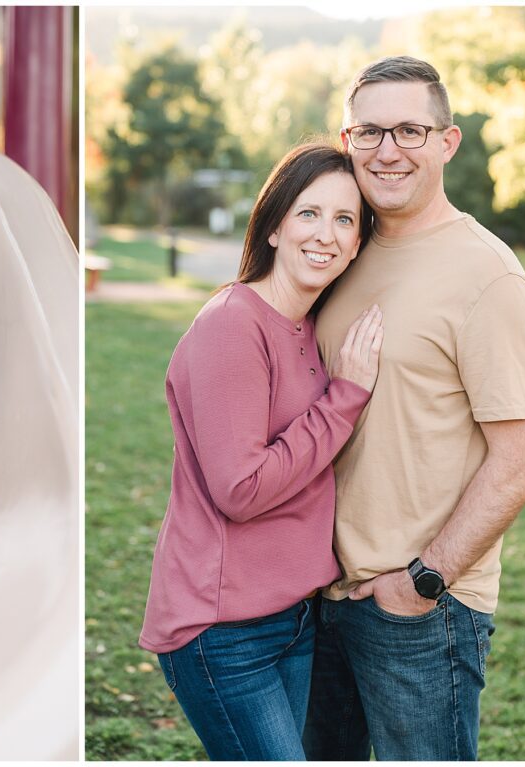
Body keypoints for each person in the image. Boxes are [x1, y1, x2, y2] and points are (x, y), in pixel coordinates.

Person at [304, 56, 525, 761]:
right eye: (370, 132)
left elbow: (520, 459)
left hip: (419, 611)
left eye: (410, 130)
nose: (388, 151)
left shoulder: (488, 276)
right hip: (320, 596)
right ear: (347, 140)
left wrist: (423, 579)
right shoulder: (345, 247)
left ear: (448, 141)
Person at [138, 143, 384, 761]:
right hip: (223, 631)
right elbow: (240, 489)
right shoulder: (232, 324)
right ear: (273, 226)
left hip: (293, 618)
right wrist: (345, 398)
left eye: (345, 219)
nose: (325, 234)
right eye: (309, 213)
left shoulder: (306, 325)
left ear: (357, 244)